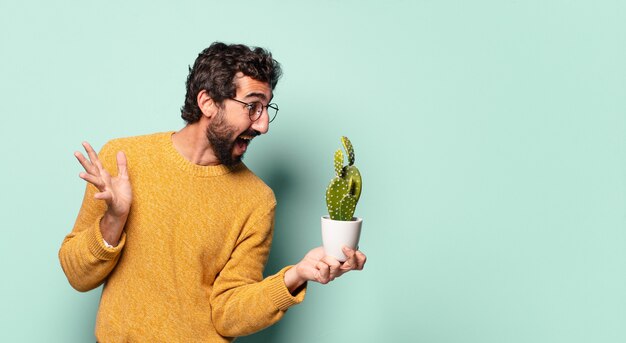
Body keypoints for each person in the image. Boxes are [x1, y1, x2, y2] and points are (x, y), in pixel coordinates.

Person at [58, 42, 367, 342]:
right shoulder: (124, 159)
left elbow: (228, 314)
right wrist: (115, 218)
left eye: (266, 108)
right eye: (252, 106)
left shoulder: (256, 201)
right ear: (207, 102)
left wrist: (295, 275)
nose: (262, 126)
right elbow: (77, 275)